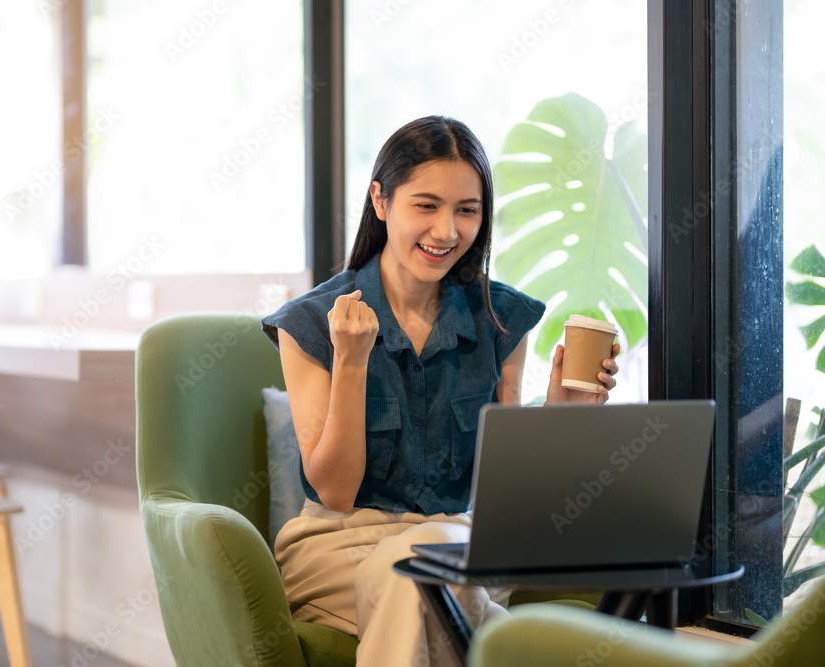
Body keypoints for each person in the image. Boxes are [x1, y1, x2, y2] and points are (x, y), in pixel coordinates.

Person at [261, 115, 619, 666]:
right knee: (436, 586)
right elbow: (333, 490)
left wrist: (558, 417)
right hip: (335, 549)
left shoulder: (501, 320)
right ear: (380, 200)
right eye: (426, 206)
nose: (447, 231)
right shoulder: (311, 323)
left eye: (466, 210)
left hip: (458, 541)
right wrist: (352, 363)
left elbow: (504, 494)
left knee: (423, 571)